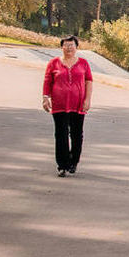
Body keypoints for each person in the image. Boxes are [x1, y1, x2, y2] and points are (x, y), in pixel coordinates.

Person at [41, 35, 93, 177]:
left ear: (76, 47)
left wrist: (87, 100)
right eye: (66, 45)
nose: (69, 48)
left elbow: (89, 81)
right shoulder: (53, 63)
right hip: (59, 105)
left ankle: (73, 161)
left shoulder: (83, 63)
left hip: (78, 105)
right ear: (62, 47)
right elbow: (47, 82)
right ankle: (62, 165)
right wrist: (46, 98)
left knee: (76, 135)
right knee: (61, 134)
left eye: (72, 45)